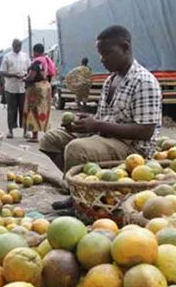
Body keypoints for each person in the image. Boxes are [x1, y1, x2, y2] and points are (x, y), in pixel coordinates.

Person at [39, 25, 162, 210]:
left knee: (76, 149)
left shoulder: (144, 81)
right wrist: (84, 123)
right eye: (100, 54)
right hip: (105, 138)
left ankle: (80, 201)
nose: (102, 60)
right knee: (50, 139)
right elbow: (103, 118)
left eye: (107, 54)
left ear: (125, 47)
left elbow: (145, 131)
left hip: (131, 148)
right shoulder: (110, 80)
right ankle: (79, 187)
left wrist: (96, 125)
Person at [0, 39, 30, 138]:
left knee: (24, 109)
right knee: (11, 109)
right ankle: (10, 130)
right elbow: (2, 72)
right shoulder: (7, 57)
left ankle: (25, 131)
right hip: (11, 87)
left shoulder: (25, 56)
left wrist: (26, 76)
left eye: (19, 46)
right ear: (13, 46)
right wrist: (13, 75)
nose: (17, 48)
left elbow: (30, 69)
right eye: (16, 46)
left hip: (22, 87)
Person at [23, 43, 53, 143]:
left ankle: (34, 136)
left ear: (35, 51)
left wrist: (24, 79)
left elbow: (32, 76)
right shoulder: (46, 60)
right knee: (44, 110)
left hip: (36, 88)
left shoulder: (36, 63)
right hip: (46, 87)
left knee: (33, 110)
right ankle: (47, 135)